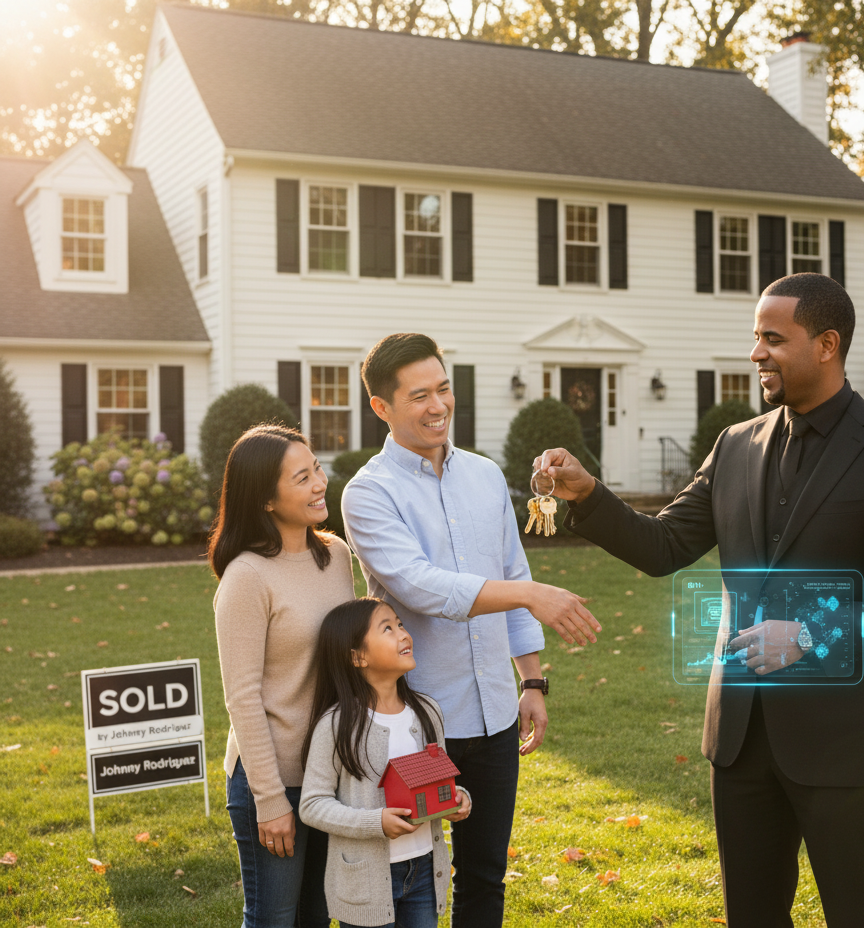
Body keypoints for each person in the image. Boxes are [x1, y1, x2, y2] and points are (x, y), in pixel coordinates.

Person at [536, 273, 864, 928]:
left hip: (843, 740)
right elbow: (664, 546)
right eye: (754, 337)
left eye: (771, 338)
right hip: (740, 739)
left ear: (826, 344)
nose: (756, 353)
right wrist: (589, 494)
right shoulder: (736, 444)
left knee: (861, 916)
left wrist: (810, 635)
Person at [341, 333, 600, 928]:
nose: (438, 406)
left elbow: (511, 570)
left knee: (485, 876)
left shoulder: (484, 476)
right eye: (418, 397)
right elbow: (421, 587)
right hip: (420, 725)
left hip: (496, 717)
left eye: (444, 389)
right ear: (382, 407)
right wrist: (532, 596)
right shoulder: (369, 492)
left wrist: (531, 682)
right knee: (411, 882)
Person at [211, 424, 356, 928]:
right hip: (272, 778)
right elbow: (243, 698)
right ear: (267, 500)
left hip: (328, 774)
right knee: (274, 918)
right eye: (302, 477)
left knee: (318, 915)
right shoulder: (247, 576)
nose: (320, 483)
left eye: (316, 468)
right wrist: (271, 802)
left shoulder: (335, 555)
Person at [299, 597, 472, 928]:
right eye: (388, 628)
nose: (403, 634)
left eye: (401, 624)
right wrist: (375, 822)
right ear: (358, 656)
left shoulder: (427, 712)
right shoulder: (336, 726)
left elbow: (437, 779)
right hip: (366, 881)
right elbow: (312, 805)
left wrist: (456, 797)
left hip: (424, 869)